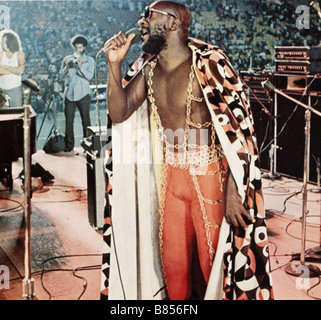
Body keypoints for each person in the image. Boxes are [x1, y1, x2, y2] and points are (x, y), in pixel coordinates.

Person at [102, 1, 273, 300]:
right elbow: (119, 112)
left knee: (214, 267)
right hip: (172, 179)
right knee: (174, 267)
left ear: (172, 23)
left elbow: (241, 128)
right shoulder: (149, 68)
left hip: (211, 180)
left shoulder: (210, 62)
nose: (141, 22)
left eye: (148, 15)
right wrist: (114, 64)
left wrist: (234, 190)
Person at [59, 35, 95, 152]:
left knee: (86, 120)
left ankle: (88, 146)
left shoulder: (90, 60)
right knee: (69, 121)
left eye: (80, 47)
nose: (78, 50)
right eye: (76, 47)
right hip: (69, 94)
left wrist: (80, 67)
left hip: (84, 94)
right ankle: (69, 146)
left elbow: (89, 76)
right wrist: (67, 68)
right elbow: (60, 76)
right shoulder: (67, 59)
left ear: (84, 47)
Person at [0, 29, 26, 108]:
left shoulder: (20, 55)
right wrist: (14, 70)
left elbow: (20, 70)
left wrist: (6, 67)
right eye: (1, 41)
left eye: (4, 42)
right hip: (2, 89)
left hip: (15, 89)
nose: (2, 44)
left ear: (10, 42)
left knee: (15, 113)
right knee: (3, 114)